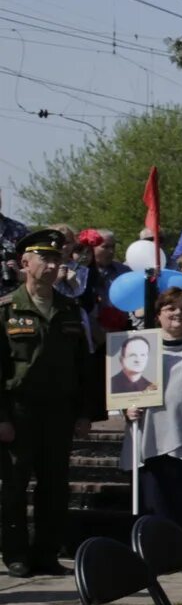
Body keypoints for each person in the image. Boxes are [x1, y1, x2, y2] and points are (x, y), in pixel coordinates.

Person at [0, 229, 102, 576]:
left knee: (54, 485)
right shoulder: (7, 309)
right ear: (25, 263)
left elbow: (83, 366)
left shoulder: (70, 309)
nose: (52, 264)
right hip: (18, 409)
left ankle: (46, 553)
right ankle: (15, 553)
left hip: (58, 411)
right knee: (13, 484)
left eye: (57, 258)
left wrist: (86, 412)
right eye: (44, 257)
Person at [120, 286, 182, 532]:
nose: (178, 313)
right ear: (158, 314)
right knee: (156, 503)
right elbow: (125, 386)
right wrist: (127, 409)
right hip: (151, 435)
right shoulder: (139, 345)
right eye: (170, 308)